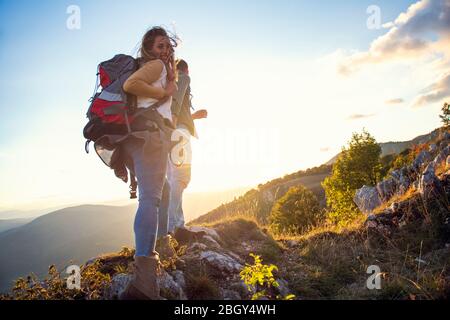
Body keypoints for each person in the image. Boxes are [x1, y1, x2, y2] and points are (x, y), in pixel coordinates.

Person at [118, 26, 177, 300]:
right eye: (160, 46)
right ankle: (143, 283)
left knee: (161, 191)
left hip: (143, 135)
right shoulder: (155, 67)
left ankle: (160, 246)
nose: (165, 51)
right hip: (149, 136)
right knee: (151, 198)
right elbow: (130, 85)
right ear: (150, 50)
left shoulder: (161, 69)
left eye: (168, 46)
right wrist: (164, 94)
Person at [160, 59, 208, 237]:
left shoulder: (167, 82)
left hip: (168, 132)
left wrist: (193, 117)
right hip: (178, 133)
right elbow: (177, 102)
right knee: (180, 178)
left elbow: (175, 107)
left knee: (172, 178)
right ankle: (174, 227)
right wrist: (174, 126)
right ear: (186, 69)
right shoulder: (183, 77)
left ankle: (174, 224)